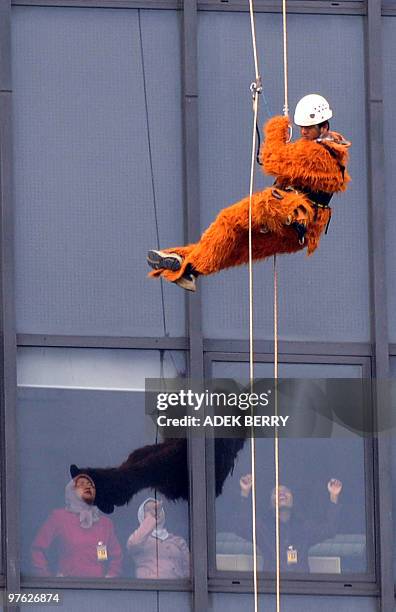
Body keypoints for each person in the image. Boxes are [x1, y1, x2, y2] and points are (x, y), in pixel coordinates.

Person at [147, 94, 351, 291]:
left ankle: (188, 266)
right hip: (299, 233)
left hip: (283, 212)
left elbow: (272, 160)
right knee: (238, 248)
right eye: (302, 128)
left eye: (308, 128)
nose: (303, 132)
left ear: (324, 126)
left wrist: (275, 129)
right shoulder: (332, 151)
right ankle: (188, 266)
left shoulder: (316, 153)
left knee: (228, 221)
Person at [238, 473, 343, 572]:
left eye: (286, 491)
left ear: (292, 501)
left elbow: (329, 529)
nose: (281, 493)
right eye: (276, 492)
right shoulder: (263, 528)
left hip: (299, 587)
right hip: (272, 587)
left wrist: (334, 496)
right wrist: (244, 492)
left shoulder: (304, 527)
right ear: (270, 504)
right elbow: (242, 527)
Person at [31, 474, 122, 578]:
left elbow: (116, 556)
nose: (88, 487)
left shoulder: (105, 523)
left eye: (91, 485)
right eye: (82, 484)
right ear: (71, 491)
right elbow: (38, 549)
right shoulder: (59, 517)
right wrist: (47, 579)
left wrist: (110, 577)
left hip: (98, 590)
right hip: (68, 588)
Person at [127, 497, 190, 579]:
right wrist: (151, 519)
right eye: (149, 510)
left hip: (175, 590)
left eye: (158, 510)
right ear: (142, 515)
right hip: (149, 589)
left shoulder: (178, 541)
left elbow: (189, 571)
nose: (155, 512)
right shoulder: (140, 538)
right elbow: (133, 543)